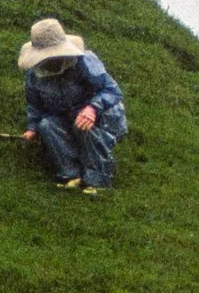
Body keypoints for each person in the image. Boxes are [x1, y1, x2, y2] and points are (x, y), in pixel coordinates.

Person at [15, 18, 127, 194]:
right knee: (46, 125)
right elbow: (34, 105)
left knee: (84, 123)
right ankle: (70, 174)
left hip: (98, 116)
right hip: (64, 116)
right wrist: (32, 128)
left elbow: (112, 91)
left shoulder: (84, 62)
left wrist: (93, 108)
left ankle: (97, 179)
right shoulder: (34, 74)